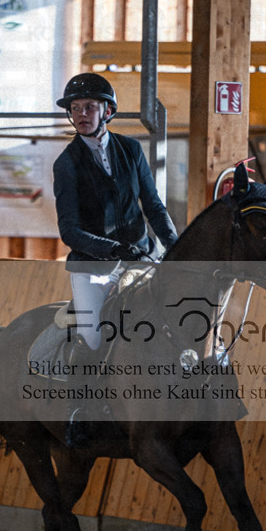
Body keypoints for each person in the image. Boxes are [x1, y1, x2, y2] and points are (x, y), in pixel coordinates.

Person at [52, 72, 178, 444]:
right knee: (90, 336)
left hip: (142, 256)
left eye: (89, 107)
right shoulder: (67, 163)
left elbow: (153, 206)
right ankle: (80, 411)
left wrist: (173, 245)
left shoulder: (131, 150)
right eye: (75, 109)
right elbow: (69, 231)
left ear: (107, 111)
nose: (81, 114)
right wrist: (111, 249)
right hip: (93, 266)